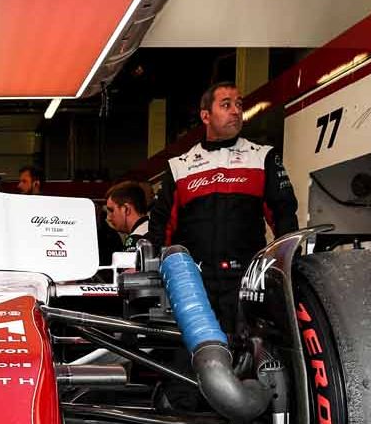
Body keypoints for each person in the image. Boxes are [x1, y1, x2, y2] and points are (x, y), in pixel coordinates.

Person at [147, 82, 298, 331]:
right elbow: (161, 227)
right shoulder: (179, 165)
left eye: (239, 104)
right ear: (206, 115)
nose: (236, 111)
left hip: (246, 281)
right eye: (226, 105)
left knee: (247, 354)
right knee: (195, 357)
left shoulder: (262, 156)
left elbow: (284, 218)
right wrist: (152, 271)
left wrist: (286, 269)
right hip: (192, 283)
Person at [104, 180, 150, 248]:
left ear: (126, 209)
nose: (108, 218)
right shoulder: (154, 230)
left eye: (112, 210)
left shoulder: (136, 240)